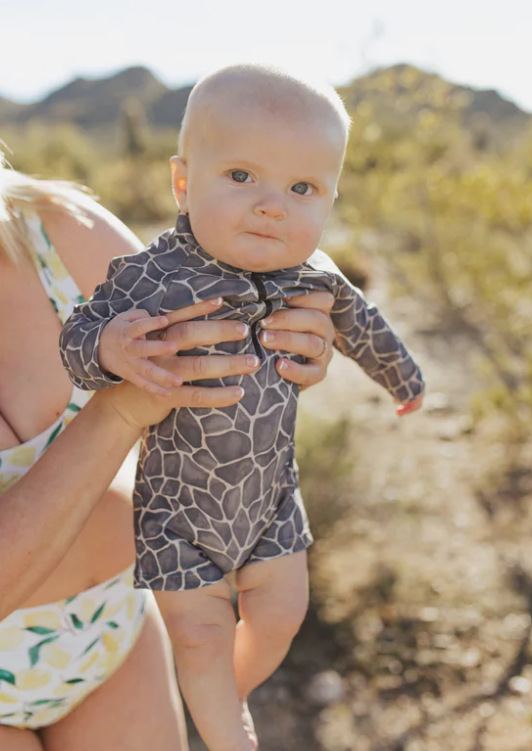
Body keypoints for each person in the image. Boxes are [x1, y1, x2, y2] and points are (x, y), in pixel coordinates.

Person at [60, 64, 425, 751]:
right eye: (241, 176)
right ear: (183, 182)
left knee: (282, 614)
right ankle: (231, 735)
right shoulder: (151, 275)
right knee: (199, 633)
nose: (272, 206)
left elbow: (365, 328)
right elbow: (75, 341)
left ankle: (229, 694)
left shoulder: (313, 278)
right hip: (177, 506)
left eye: (302, 188)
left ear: (331, 198)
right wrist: (110, 347)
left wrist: (405, 381)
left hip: (271, 496)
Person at [0, 148, 337, 751]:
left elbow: (210, 365)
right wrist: (119, 411)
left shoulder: (56, 228)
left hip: (113, 637)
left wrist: (279, 347)